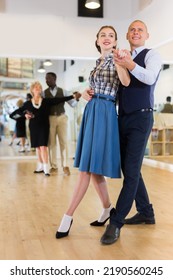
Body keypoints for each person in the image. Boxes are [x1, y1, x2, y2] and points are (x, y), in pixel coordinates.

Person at [55, 25, 130, 239]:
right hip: (93, 110)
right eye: (103, 35)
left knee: (86, 169)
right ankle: (107, 209)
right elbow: (94, 88)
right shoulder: (97, 63)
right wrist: (87, 93)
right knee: (94, 169)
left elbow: (125, 82)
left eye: (111, 36)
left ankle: (67, 216)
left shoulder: (117, 59)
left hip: (106, 112)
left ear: (116, 41)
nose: (107, 38)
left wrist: (120, 62)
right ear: (97, 40)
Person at [99, 20, 162, 245]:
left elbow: (149, 78)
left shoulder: (152, 55)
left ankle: (115, 223)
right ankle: (145, 211)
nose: (136, 32)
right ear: (127, 34)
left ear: (147, 35)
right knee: (130, 169)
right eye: (132, 30)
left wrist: (130, 64)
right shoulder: (123, 56)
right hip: (122, 118)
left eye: (140, 30)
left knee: (132, 172)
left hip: (141, 117)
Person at [10, 81, 81, 176]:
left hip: (44, 127)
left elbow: (59, 99)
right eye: (36, 88)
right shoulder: (27, 104)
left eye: (39, 87)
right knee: (38, 148)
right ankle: (40, 167)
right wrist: (24, 115)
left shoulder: (46, 101)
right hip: (34, 127)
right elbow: (13, 115)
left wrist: (72, 96)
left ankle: (46, 168)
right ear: (32, 90)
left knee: (43, 147)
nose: (38, 89)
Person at [44, 72, 79, 176]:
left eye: (49, 79)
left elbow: (72, 104)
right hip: (50, 119)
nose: (47, 80)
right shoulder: (44, 93)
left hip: (62, 118)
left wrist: (76, 98)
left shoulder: (63, 91)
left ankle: (65, 166)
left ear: (54, 79)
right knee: (51, 144)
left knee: (64, 142)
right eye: (46, 79)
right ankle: (54, 167)